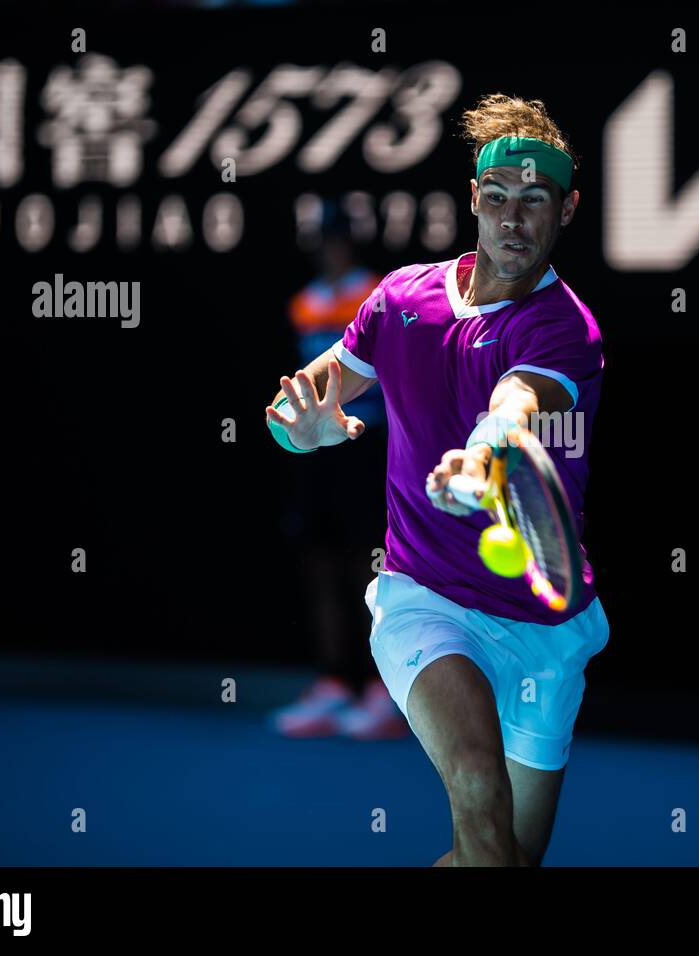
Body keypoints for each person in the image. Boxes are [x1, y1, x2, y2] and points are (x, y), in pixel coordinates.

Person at [265, 94, 608, 866]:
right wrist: (299, 433)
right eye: (497, 200)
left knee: (500, 859)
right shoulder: (399, 301)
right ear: (473, 203)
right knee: (477, 789)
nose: (513, 222)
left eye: (534, 201)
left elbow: (515, 402)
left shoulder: (565, 327)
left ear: (567, 208)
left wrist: (483, 454)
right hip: (425, 601)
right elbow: (289, 407)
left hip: (544, 629)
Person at [268, 212, 407, 740]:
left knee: (367, 567)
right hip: (315, 456)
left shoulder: (377, 296)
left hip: (365, 448)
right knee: (320, 562)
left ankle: (382, 690)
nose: (328, 252)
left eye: (335, 243)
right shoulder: (305, 301)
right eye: (321, 244)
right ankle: (332, 683)